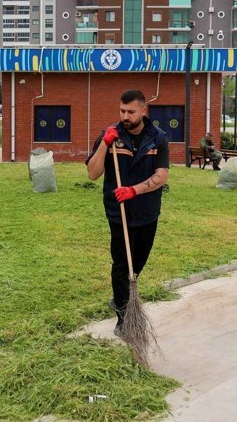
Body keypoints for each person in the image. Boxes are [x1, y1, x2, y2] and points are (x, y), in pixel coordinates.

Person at [86, 89, 170, 337]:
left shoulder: (158, 138)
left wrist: (134, 190)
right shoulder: (110, 136)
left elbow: (162, 175)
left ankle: (120, 295)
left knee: (138, 262)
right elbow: (92, 173)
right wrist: (104, 143)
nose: (125, 116)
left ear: (143, 110)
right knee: (122, 265)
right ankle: (124, 317)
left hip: (146, 210)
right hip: (118, 212)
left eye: (131, 111)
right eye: (122, 111)